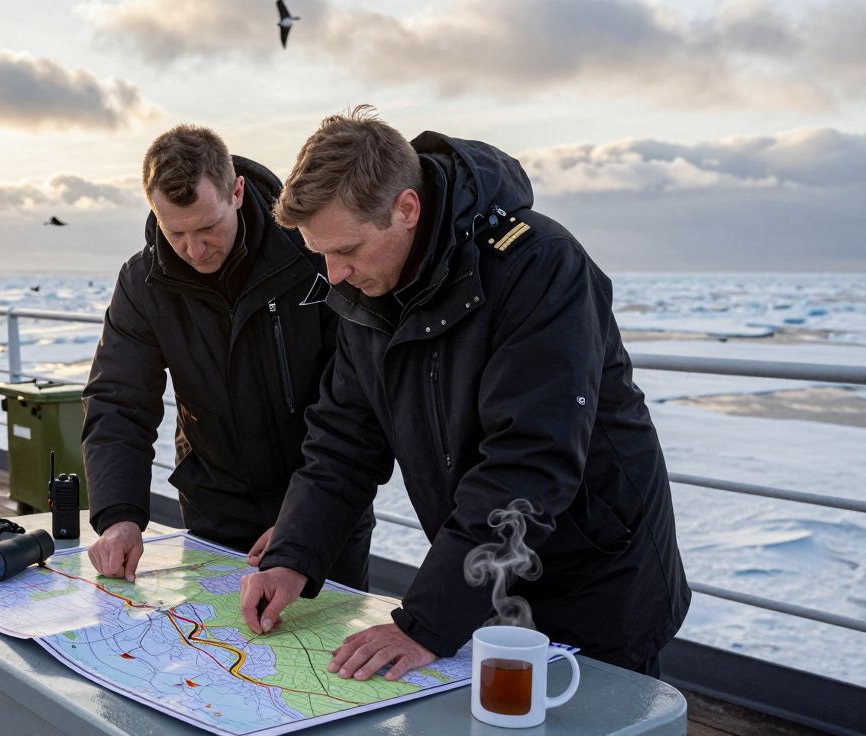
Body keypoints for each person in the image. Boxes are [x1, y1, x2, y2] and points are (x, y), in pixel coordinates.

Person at [240, 107, 690, 680]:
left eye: (347, 250)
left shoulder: (539, 266)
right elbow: (344, 443)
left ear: (406, 208)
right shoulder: (367, 292)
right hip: (486, 578)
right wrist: (292, 560)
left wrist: (427, 623)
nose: (334, 275)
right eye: (320, 253)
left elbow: (529, 461)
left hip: (594, 577)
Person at [83, 124, 375, 588]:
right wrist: (118, 515)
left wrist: (303, 527)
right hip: (213, 510)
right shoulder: (142, 284)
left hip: (323, 506)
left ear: (236, 191)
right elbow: (118, 403)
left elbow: (354, 408)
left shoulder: (317, 258)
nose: (194, 250)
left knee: (324, 658)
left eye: (207, 227)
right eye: (174, 231)